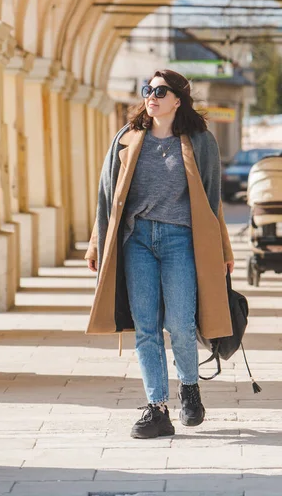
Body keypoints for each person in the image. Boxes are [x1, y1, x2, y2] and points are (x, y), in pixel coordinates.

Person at [85, 69, 235, 439]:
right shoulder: (127, 138)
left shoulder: (201, 142)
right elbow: (108, 198)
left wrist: (224, 249)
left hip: (181, 240)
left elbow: (213, 201)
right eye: (147, 89)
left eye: (161, 90)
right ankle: (156, 408)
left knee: (181, 325)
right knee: (147, 328)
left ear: (178, 100)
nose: (151, 96)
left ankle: (189, 388)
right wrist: (95, 243)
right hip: (137, 241)